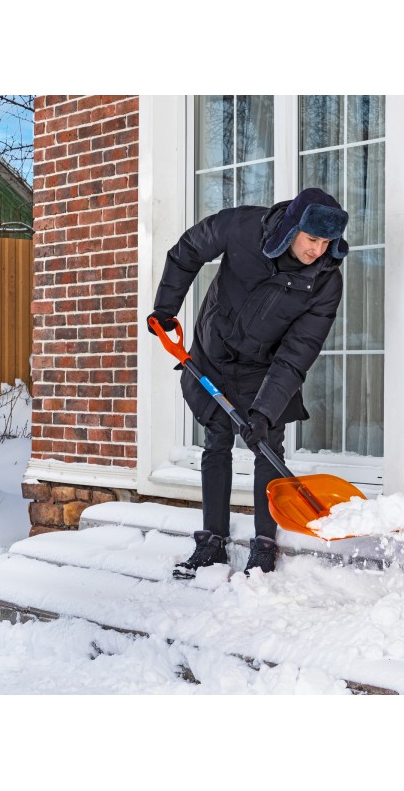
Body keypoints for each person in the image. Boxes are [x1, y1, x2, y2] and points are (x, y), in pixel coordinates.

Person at [147, 187, 349, 577]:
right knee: (216, 438)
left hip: (265, 367)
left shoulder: (325, 282)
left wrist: (264, 411)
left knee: (267, 445)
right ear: (291, 229)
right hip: (212, 353)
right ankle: (211, 541)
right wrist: (165, 308)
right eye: (311, 239)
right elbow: (188, 249)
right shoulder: (242, 227)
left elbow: (297, 352)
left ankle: (264, 544)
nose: (317, 251)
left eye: (326, 242)